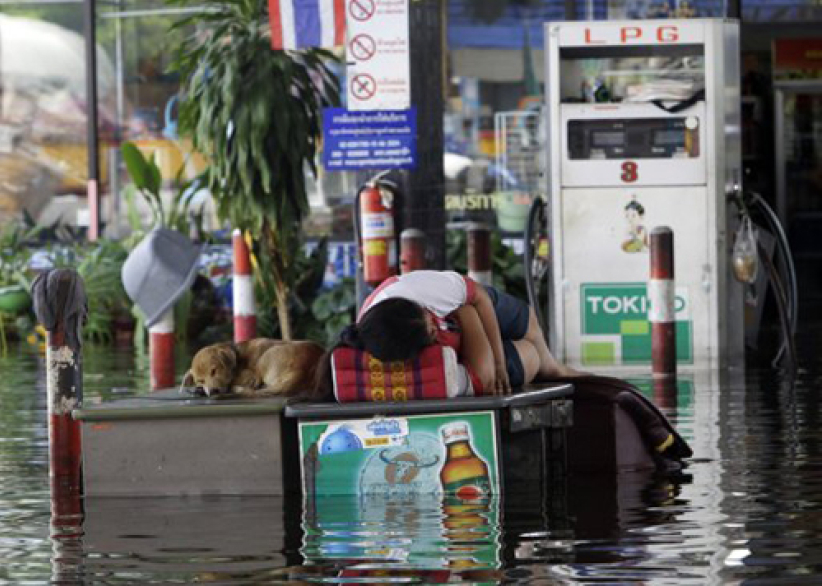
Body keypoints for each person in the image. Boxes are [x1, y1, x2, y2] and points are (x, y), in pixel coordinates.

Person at [314, 270, 580, 399]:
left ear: (423, 308)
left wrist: (499, 363)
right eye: (431, 335)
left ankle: (553, 367)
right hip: (464, 335)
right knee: (528, 356)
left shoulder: (427, 291)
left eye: (431, 323)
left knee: (528, 322)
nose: (433, 329)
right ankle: (541, 364)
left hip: (472, 304)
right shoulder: (391, 348)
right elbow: (483, 380)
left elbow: (477, 301)